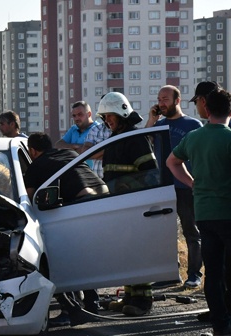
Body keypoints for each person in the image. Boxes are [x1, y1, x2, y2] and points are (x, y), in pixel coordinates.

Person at [24, 133, 106, 327]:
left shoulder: (35, 166)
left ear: (32, 151)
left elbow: (29, 201)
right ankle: (91, 304)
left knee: (62, 258)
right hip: (103, 200)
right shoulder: (68, 153)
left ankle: (73, 310)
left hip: (80, 204)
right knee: (87, 257)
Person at [167, 88, 231, 336]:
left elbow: (172, 162)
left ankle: (220, 326)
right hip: (228, 211)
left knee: (212, 274)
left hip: (204, 212)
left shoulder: (193, 137)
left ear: (207, 109)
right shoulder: (228, 138)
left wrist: (192, 182)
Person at [98, 92, 158, 317]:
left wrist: (128, 187)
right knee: (126, 252)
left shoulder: (134, 138)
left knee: (139, 251)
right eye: (104, 117)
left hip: (134, 204)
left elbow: (150, 173)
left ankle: (143, 300)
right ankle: (131, 296)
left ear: (122, 113)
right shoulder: (117, 138)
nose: (107, 121)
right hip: (119, 205)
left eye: (109, 116)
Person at [145, 85, 203, 290]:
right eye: (159, 99)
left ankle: (194, 274)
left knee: (191, 231)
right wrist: (152, 119)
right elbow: (144, 141)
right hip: (163, 186)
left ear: (177, 101)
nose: (161, 103)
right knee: (164, 233)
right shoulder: (158, 125)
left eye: (165, 99)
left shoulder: (192, 124)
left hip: (186, 185)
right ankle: (170, 274)